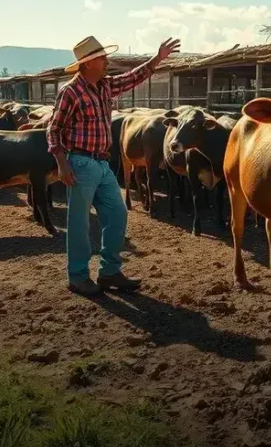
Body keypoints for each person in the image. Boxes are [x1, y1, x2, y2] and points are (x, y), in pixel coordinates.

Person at [49, 35, 181, 296]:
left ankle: (109, 271)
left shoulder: (104, 86)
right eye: (101, 58)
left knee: (118, 214)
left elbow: (133, 77)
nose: (106, 60)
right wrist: (62, 164)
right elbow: (54, 130)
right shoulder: (71, 91)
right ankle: (77, 276)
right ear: (87, 64)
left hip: (101, 163)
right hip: (79, 163)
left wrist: (157, 58)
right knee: (79, 223)